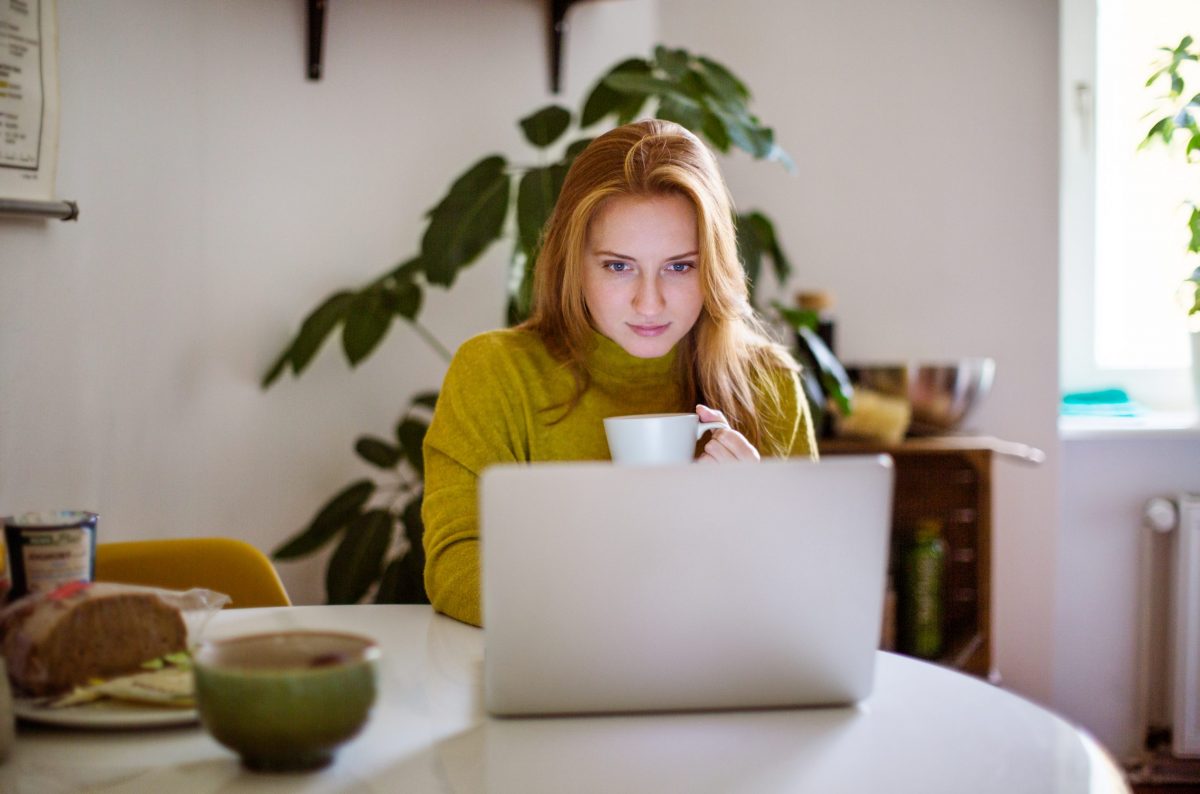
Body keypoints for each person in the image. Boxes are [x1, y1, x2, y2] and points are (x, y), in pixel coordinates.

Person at [421, 119, 817, 626]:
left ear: (713, 266)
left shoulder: (768, 384)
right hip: (554, 679)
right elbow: (455, 567)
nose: (648, 302)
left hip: (721, 684)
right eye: (617, 266)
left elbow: (807, 593)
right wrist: (615, 607)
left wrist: (752, 523)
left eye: (679, 267)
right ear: (573, 263)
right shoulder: (495, 374)